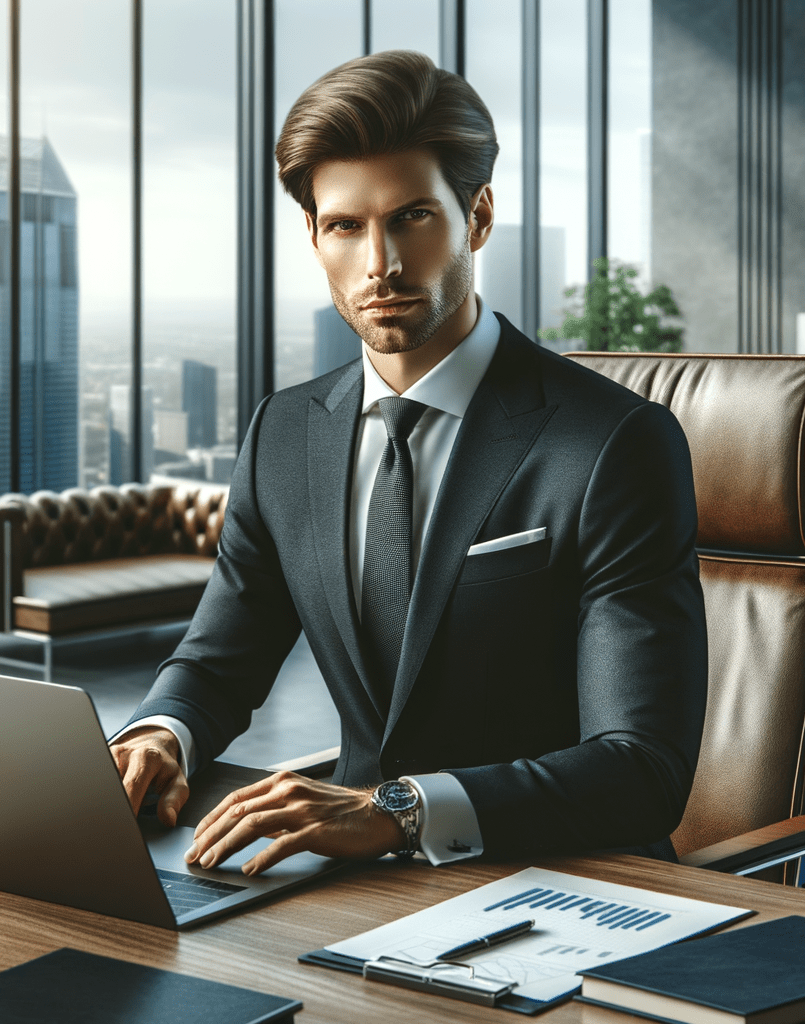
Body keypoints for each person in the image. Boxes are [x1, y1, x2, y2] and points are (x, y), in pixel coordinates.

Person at [110, 49, 707, 878]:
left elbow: (642, 767)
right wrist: (157, 737)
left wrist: (400, 811)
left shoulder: (613, 445)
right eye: (346, 226)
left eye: (414, 217)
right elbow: (217, 664)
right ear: (315, 236)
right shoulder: (283, 434)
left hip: (561, 883)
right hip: (344, 885)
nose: (380, 263)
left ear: (479, 216)